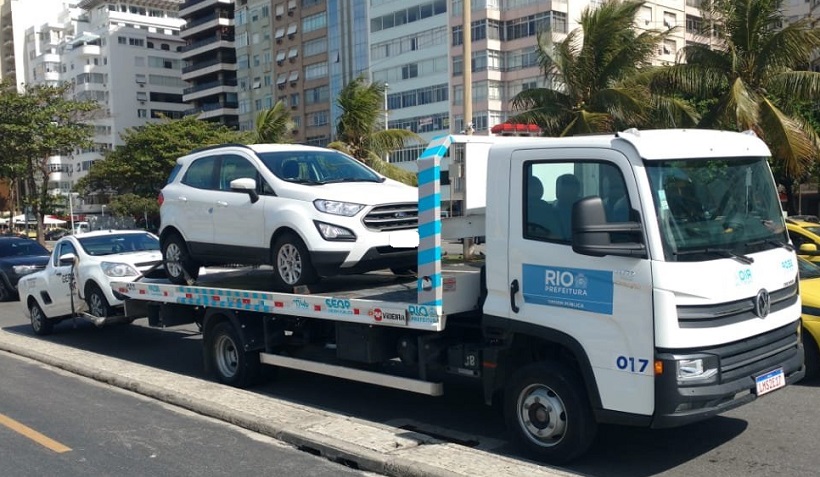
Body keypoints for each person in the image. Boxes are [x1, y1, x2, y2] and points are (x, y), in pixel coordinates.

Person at [554, 174, 580, 240]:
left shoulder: (584, 209)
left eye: (564, 186)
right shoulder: (549, 210)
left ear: (576, 189)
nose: (558, 190)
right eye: (557, 187)